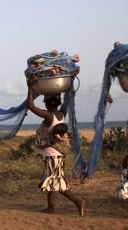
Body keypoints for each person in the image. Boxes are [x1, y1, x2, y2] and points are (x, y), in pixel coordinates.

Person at [26, 79, 85, 216]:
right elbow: (67, 102)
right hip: (55, 155)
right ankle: (50, 207)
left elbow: (31, 106)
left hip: (53, 155)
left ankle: (77, 201)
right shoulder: (61, 114)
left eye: (46, 102)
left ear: (47, 103)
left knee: (57, 183)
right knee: (52, 181)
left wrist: (29, 88)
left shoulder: (49, 116)